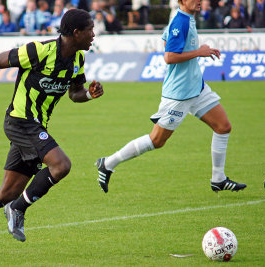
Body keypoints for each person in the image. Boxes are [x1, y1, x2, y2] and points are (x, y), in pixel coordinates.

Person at [0, 8, 103, 261]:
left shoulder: (78, 60)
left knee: (8, 192)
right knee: (61, 165)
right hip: (20, 121)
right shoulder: (39, 50)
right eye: (90, 29)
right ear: (76, 32)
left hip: (37, 127)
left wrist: (89, 94)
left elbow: (74, 93)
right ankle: (17, 209)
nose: (94, 34)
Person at [95, 0, 247, 195]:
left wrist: (197, 51)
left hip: (196, 87)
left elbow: (166, 39)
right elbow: (169, 56)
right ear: (182, 1)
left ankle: (218, 179)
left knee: (223, 126)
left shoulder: (186, 18)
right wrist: (199, 52)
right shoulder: (181, 21)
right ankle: (107, 163)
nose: (200, 0)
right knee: (156, 140)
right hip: (179, 93)